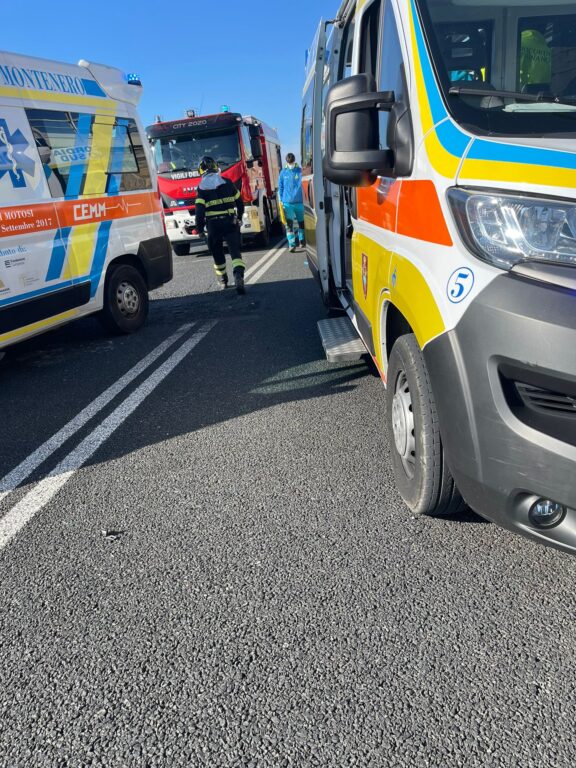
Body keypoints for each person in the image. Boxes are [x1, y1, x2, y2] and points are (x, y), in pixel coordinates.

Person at [194, 156, 246, 294]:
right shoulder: (227, 182)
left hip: (213, 225)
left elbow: (199, 211)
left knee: (217, 252)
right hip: (230, 222)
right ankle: (238, 274)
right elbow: (240, 203)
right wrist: (239, 217)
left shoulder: (201, 188)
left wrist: (200, 229)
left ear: (201, 171)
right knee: (235, 251)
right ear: (216, 168)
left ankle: (223, 280)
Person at [278, 153, 305, 252]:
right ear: (287, 161)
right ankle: (292, 245)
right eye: (289, 162)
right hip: (287, 203)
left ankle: (302, 240)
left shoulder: (300, 171)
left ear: (293, 160)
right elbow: (280, 187)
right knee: (289, 224)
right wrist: (281, 200)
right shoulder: (283, 173)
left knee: (301, 223)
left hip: (299, 202)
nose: (290, 163)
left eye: (291, 161)